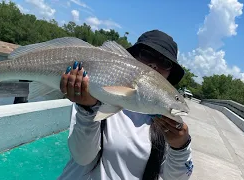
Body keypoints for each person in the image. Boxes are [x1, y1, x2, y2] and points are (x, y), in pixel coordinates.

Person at [57, 30, 193, 180]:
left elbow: (177, 178)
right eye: (147, 54)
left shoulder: (169, 127)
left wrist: (180, 147)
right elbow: (82, 157)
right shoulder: (93, 95)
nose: (154, 65)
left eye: (165, 63)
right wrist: (87, 109)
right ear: (132, 57)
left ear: (169, 74)